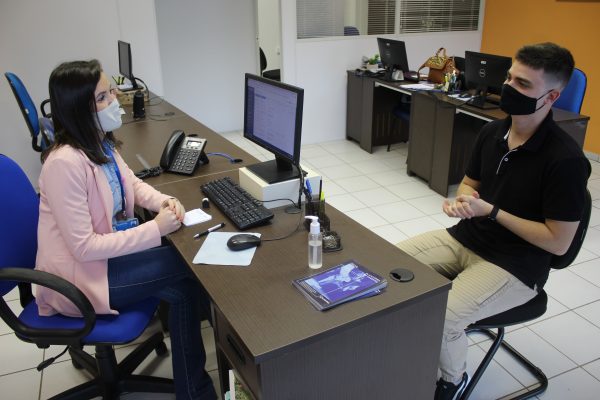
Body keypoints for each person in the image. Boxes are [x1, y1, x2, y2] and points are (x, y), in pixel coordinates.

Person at [396, 43, 590, 400]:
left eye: (524, 84)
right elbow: (472, 184)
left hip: (516, 264)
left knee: (445, 314)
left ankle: (452, 382)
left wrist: (493, 212)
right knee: (385, 266)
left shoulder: (566, 160)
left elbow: (558, 243)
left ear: (552, 97)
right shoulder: (493, 133)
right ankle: (414, 348)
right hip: (467, 237)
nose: (509, 89)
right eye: (509, 78)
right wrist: (463, 203)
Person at [35, 59, 217, 400]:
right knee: (188, 265)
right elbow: (84, 248)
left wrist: (165, 201)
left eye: (111, 92)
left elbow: (130, 183)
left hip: (103, 263)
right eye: (103, 97)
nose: (114, 101)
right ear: (78, 108)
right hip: (78, 278)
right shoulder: (64, 164)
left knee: (183, 288)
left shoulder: (98, 143)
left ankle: (194, 391)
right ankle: (212, 375)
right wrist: (156, 230)